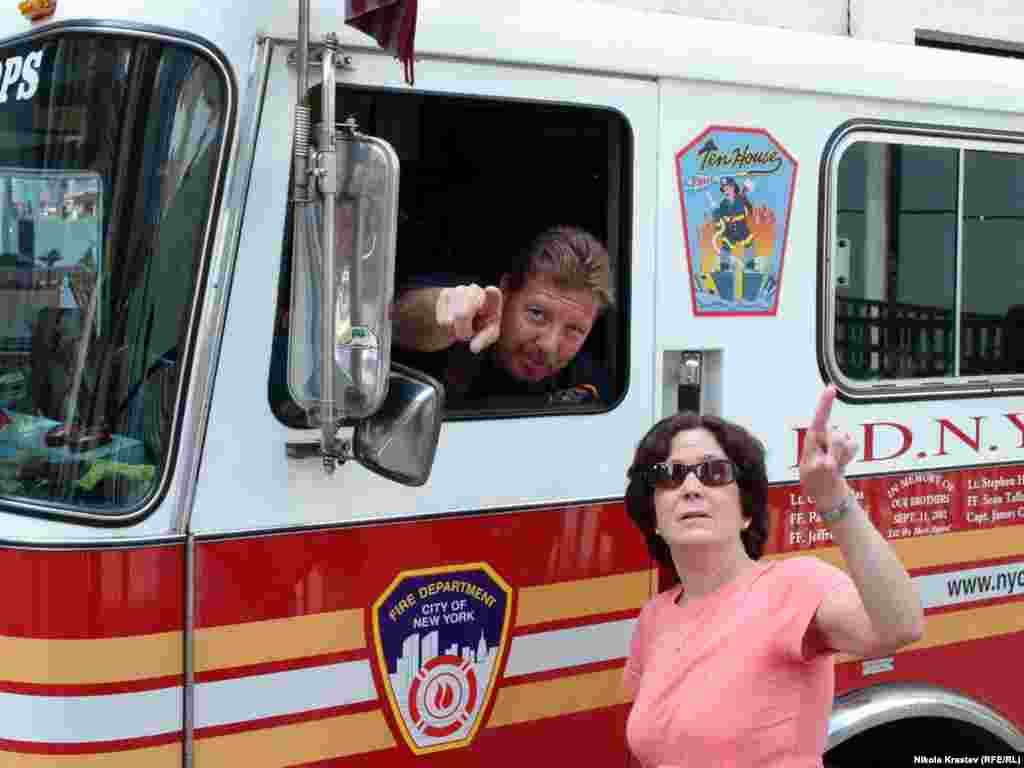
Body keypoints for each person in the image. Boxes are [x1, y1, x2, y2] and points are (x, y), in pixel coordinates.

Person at [622, 386, 924, 767]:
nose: (691, 487)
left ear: (746, 510)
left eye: (714, 472)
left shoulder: (794, 585)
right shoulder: (655, 617)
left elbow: (901, 626)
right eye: (670, 475)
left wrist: (832, 497)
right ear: (654, 519)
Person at [391, 225, 614, 408]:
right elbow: (396, 322)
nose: (549, 345)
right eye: (537, 314)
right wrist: (442, 308)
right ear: (506, 290)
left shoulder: (595, 390)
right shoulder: (466, 328)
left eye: (574, 330)